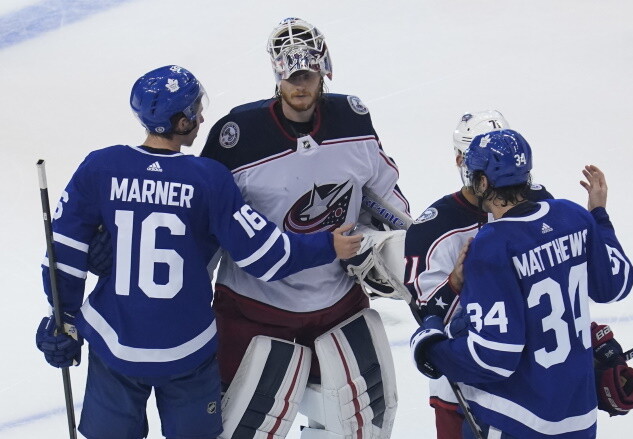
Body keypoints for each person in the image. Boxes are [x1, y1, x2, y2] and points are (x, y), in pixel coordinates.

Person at [35, 65, 363, 439]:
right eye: (195, 110)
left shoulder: (101, 166)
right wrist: (327, 245)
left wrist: (63, 318)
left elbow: (64, 250)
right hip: (186, 350)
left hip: (116, 345)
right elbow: (263, 256)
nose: (202, 116)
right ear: (180, 120)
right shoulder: (207, 178)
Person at [200, 17, 409, 439]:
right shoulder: (236, 137)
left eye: (308, 75)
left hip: (338, 305)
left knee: (362, 425)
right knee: (241, 427)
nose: (300, 86)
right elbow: (205, 223)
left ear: (323, 70)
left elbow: (387, 198)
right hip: (254, 309)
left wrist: (395, 246)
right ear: (277, 74)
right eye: (291, 76)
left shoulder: (352, 123)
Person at [410, 129, 633, 438]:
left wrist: (431, 348)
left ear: (483, 182)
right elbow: (616, 284)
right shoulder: (572, 214)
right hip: (580, 418)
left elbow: (493, 357)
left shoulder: (491, 245)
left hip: (519, 421)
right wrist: (598, 215)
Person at [403, 111, 552, 439]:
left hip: (534, 382)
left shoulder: (539, 202)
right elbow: (426, 320)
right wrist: (455, 284)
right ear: (461, 160)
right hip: (464, 393)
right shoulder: (433, 228)